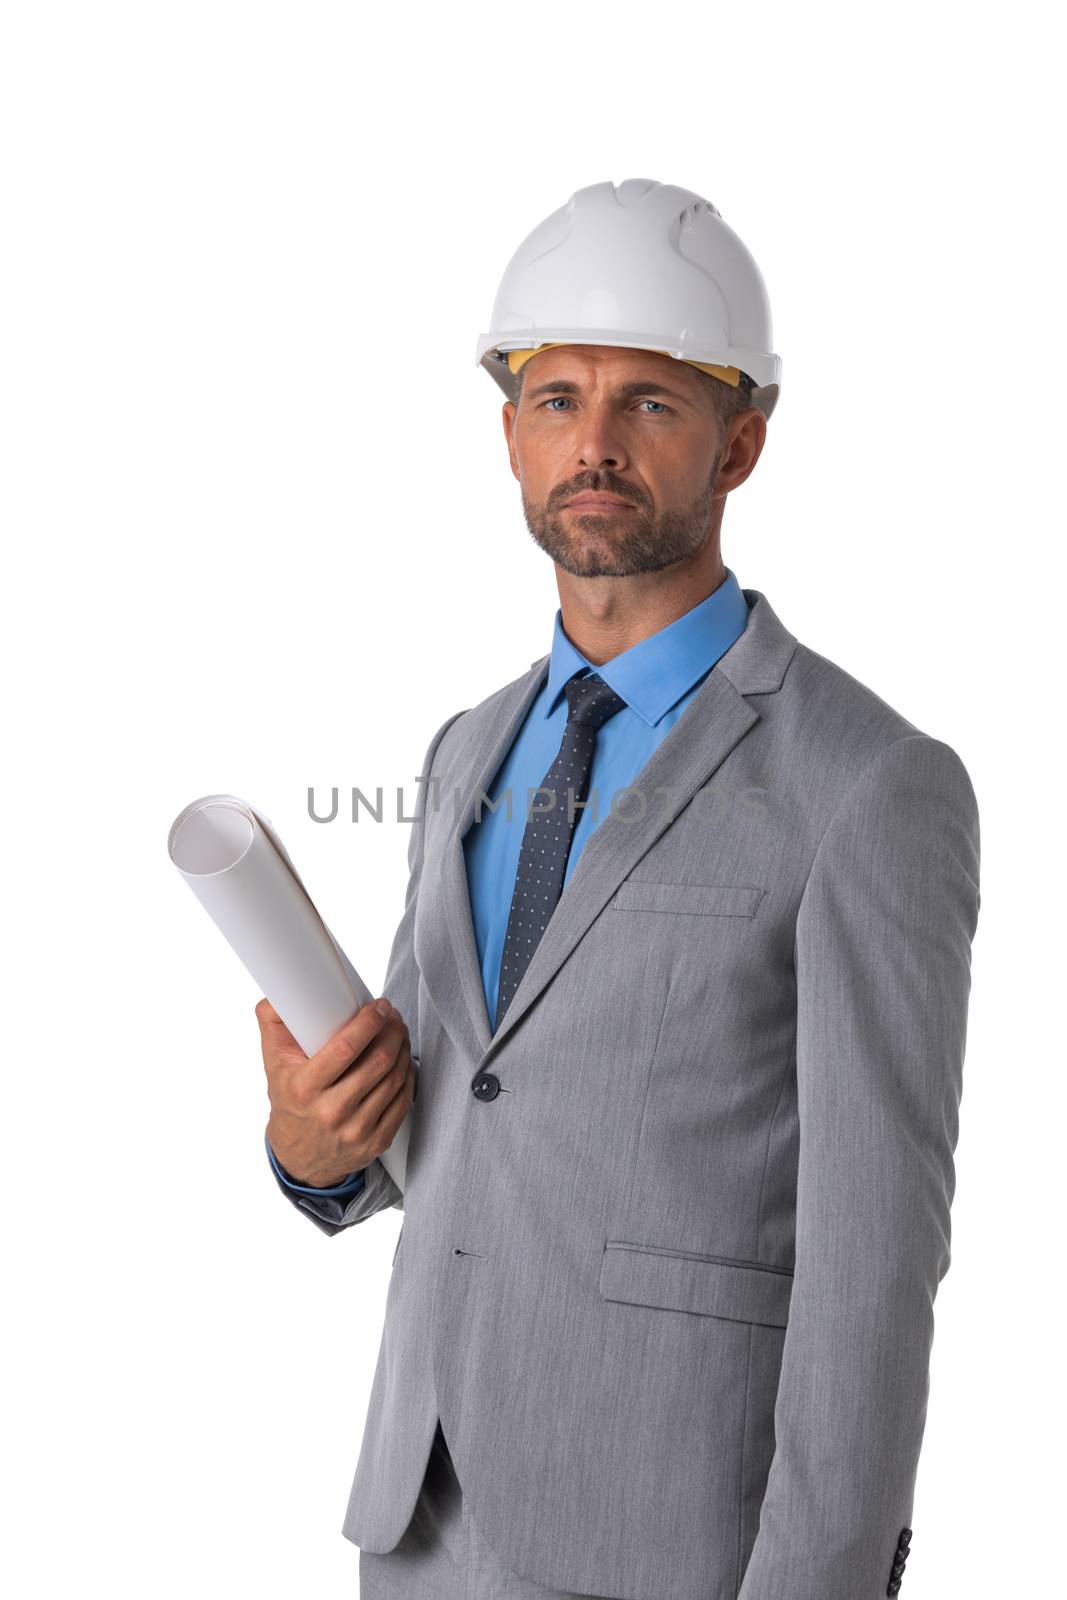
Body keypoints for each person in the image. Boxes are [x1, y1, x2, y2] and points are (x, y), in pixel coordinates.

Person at [259, 179, 980, 1600]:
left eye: (649, 404)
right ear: (511, 434)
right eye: (554, 398)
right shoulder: (469, 747)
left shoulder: (868, 785)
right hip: (420, 1527)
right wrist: (315, 1147)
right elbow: (450, 1122)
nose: (591, 445)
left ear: (742, 441)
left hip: (676, 1541)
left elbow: (874, 1267)